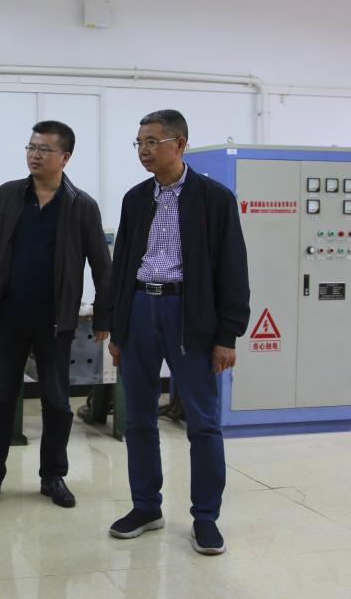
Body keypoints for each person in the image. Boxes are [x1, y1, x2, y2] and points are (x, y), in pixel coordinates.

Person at [106, 109, 249, 555]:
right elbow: (121, 266)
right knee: (138, 418)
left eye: (153, 142)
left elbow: (233, 269)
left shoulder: (214, 198)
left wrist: (227, 335)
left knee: (203, 424)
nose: (144, 151)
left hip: (190, 315)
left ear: (180, 144)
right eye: (139, 143)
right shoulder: (135, 199)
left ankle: (205, 517)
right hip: (140, 310)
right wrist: (116, 328)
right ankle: (146, 507)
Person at [0, 120, 112, 509]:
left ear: (65, 156)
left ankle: (53, 476)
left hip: (56, 321)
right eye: (31, 147)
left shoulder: (81, 206)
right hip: (9, 317)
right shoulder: (5, 197)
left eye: (44, 149)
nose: (35, 155)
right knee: (1, 399)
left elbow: (102, 266)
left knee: (57, 402)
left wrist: (104, 317)